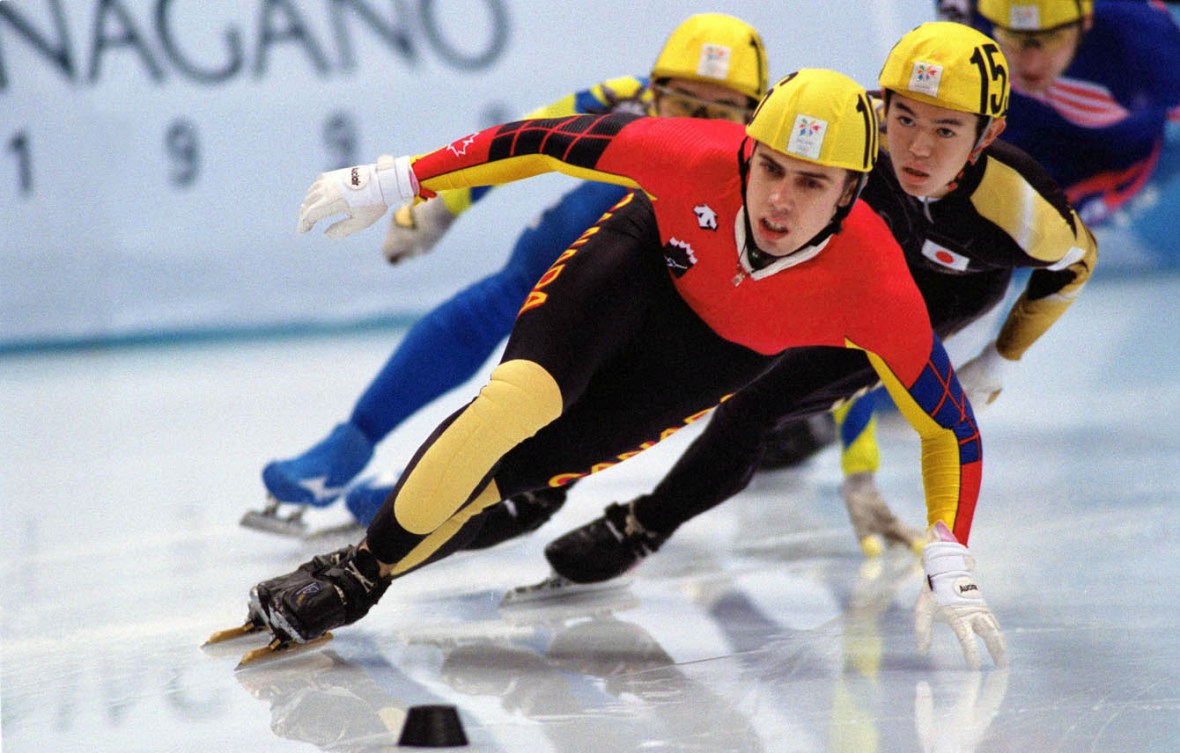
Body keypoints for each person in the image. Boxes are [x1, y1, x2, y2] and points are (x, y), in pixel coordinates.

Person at [248, 67, 1007, 668]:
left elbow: (950, 429)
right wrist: (404, 177)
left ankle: (361, 567)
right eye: (770, 168)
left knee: (520, 473)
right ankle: (365, 568)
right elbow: (542, 137)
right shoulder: (697, 157)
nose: (779, 199)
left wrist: (952, 545)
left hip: (714, 350)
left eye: (811, 183)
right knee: (514, 404)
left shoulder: (874, 285)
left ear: (850, 193)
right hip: (640, 261)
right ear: (747, 151)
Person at [527, 22, 1095, 586]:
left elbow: (1075, 267)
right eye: (903, 119)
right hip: (832, 259)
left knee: (755, 404)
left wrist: (1002, 358)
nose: (918, 148)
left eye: (947, 130)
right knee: (685, 348)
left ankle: (643, 525)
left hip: (940, 294)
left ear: (988, 133)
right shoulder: (846, 135)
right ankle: (541, 479)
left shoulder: (1022, 209)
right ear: (880, 105)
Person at [246, 13, 769, 541]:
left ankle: (471, 482)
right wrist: (441, 202)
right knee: (505, 290)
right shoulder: (621, 96)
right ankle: (349, 443)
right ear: (651, 92)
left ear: (754, 116)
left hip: (677, 285)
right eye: (682, 104)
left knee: (592, 367)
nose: (694, 126)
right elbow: (525, 139)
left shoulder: (778, 163)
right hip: (615, 234)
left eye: (718, 113)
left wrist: (855, 454)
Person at [760, 0, 1180, 541]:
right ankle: (833, 401)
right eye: (1011, 37)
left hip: (1094, 169)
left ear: (1086, 21)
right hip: (988, 142)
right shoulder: (973, 19)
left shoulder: (1145, 44)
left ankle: (838, 408)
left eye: (1047, 41)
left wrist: (998, 362)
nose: (1028, 62)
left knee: (975, 280)